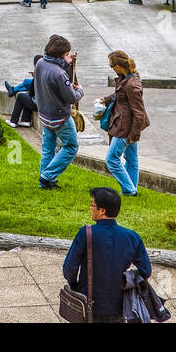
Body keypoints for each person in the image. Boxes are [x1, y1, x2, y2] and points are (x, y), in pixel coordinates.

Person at [62, 187, 152, 323]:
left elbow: (69, 268)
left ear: (102, 210)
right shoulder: (132, 237)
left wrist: (75, 285)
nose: (90, 207)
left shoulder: (86, 233)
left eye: (92, 204)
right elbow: (146, 271)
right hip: (120, 306)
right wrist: (126, 280)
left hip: (90, 305)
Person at [35, 34, 83, 189]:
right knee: (71, 147)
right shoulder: (59, 74)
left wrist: (67, 63)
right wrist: (80, 91)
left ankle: (46, 182)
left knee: (48, 147)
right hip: (60, 117)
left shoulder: (41, 63)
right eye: (67, 54)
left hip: (44, 114)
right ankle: (47, 176)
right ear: (62, 54)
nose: (69, 56)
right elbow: (71, 97)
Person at [103, 50, 148, 196]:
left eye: (112, 66)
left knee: (111, 160)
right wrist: (106, 99)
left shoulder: (132, 85)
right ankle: (131, 189)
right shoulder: (126, 79)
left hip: (125, 128)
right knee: (131, 158)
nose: (112, 69)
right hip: (127, 126)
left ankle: (129, 189)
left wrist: (134, 134)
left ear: (119, 66)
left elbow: (139, 112)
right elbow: (119, 95)